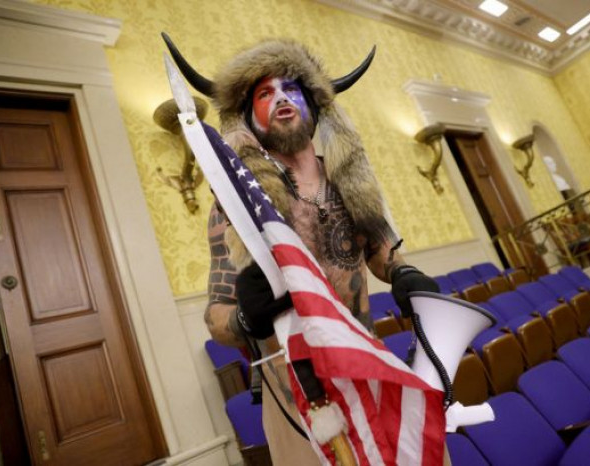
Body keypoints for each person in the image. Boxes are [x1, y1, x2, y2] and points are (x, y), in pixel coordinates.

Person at [165, 38, 441, 463]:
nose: (280, 98)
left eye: (291, 88)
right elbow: (216, 317)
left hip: (366, 368)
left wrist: (404, 273)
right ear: (248, 117)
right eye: (265, 93)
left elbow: (384, 254)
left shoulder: (352, 185)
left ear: (313, 105)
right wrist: (244, 318)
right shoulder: (237, 206)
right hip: (297, 399)